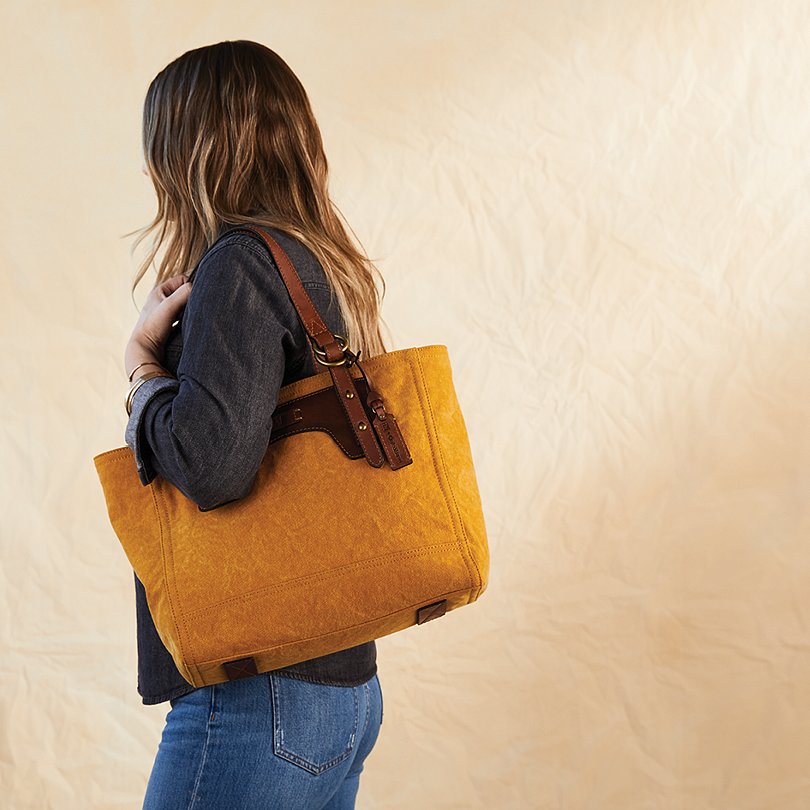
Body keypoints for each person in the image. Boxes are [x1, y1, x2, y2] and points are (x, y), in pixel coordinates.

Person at [121, 40, 386, 809]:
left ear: (190, 153)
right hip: (341, 688)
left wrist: (143, 367)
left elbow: (212, 466)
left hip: (259, 689)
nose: (149, 171)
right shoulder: (321, 262)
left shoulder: (239, 263)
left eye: (157, 148)